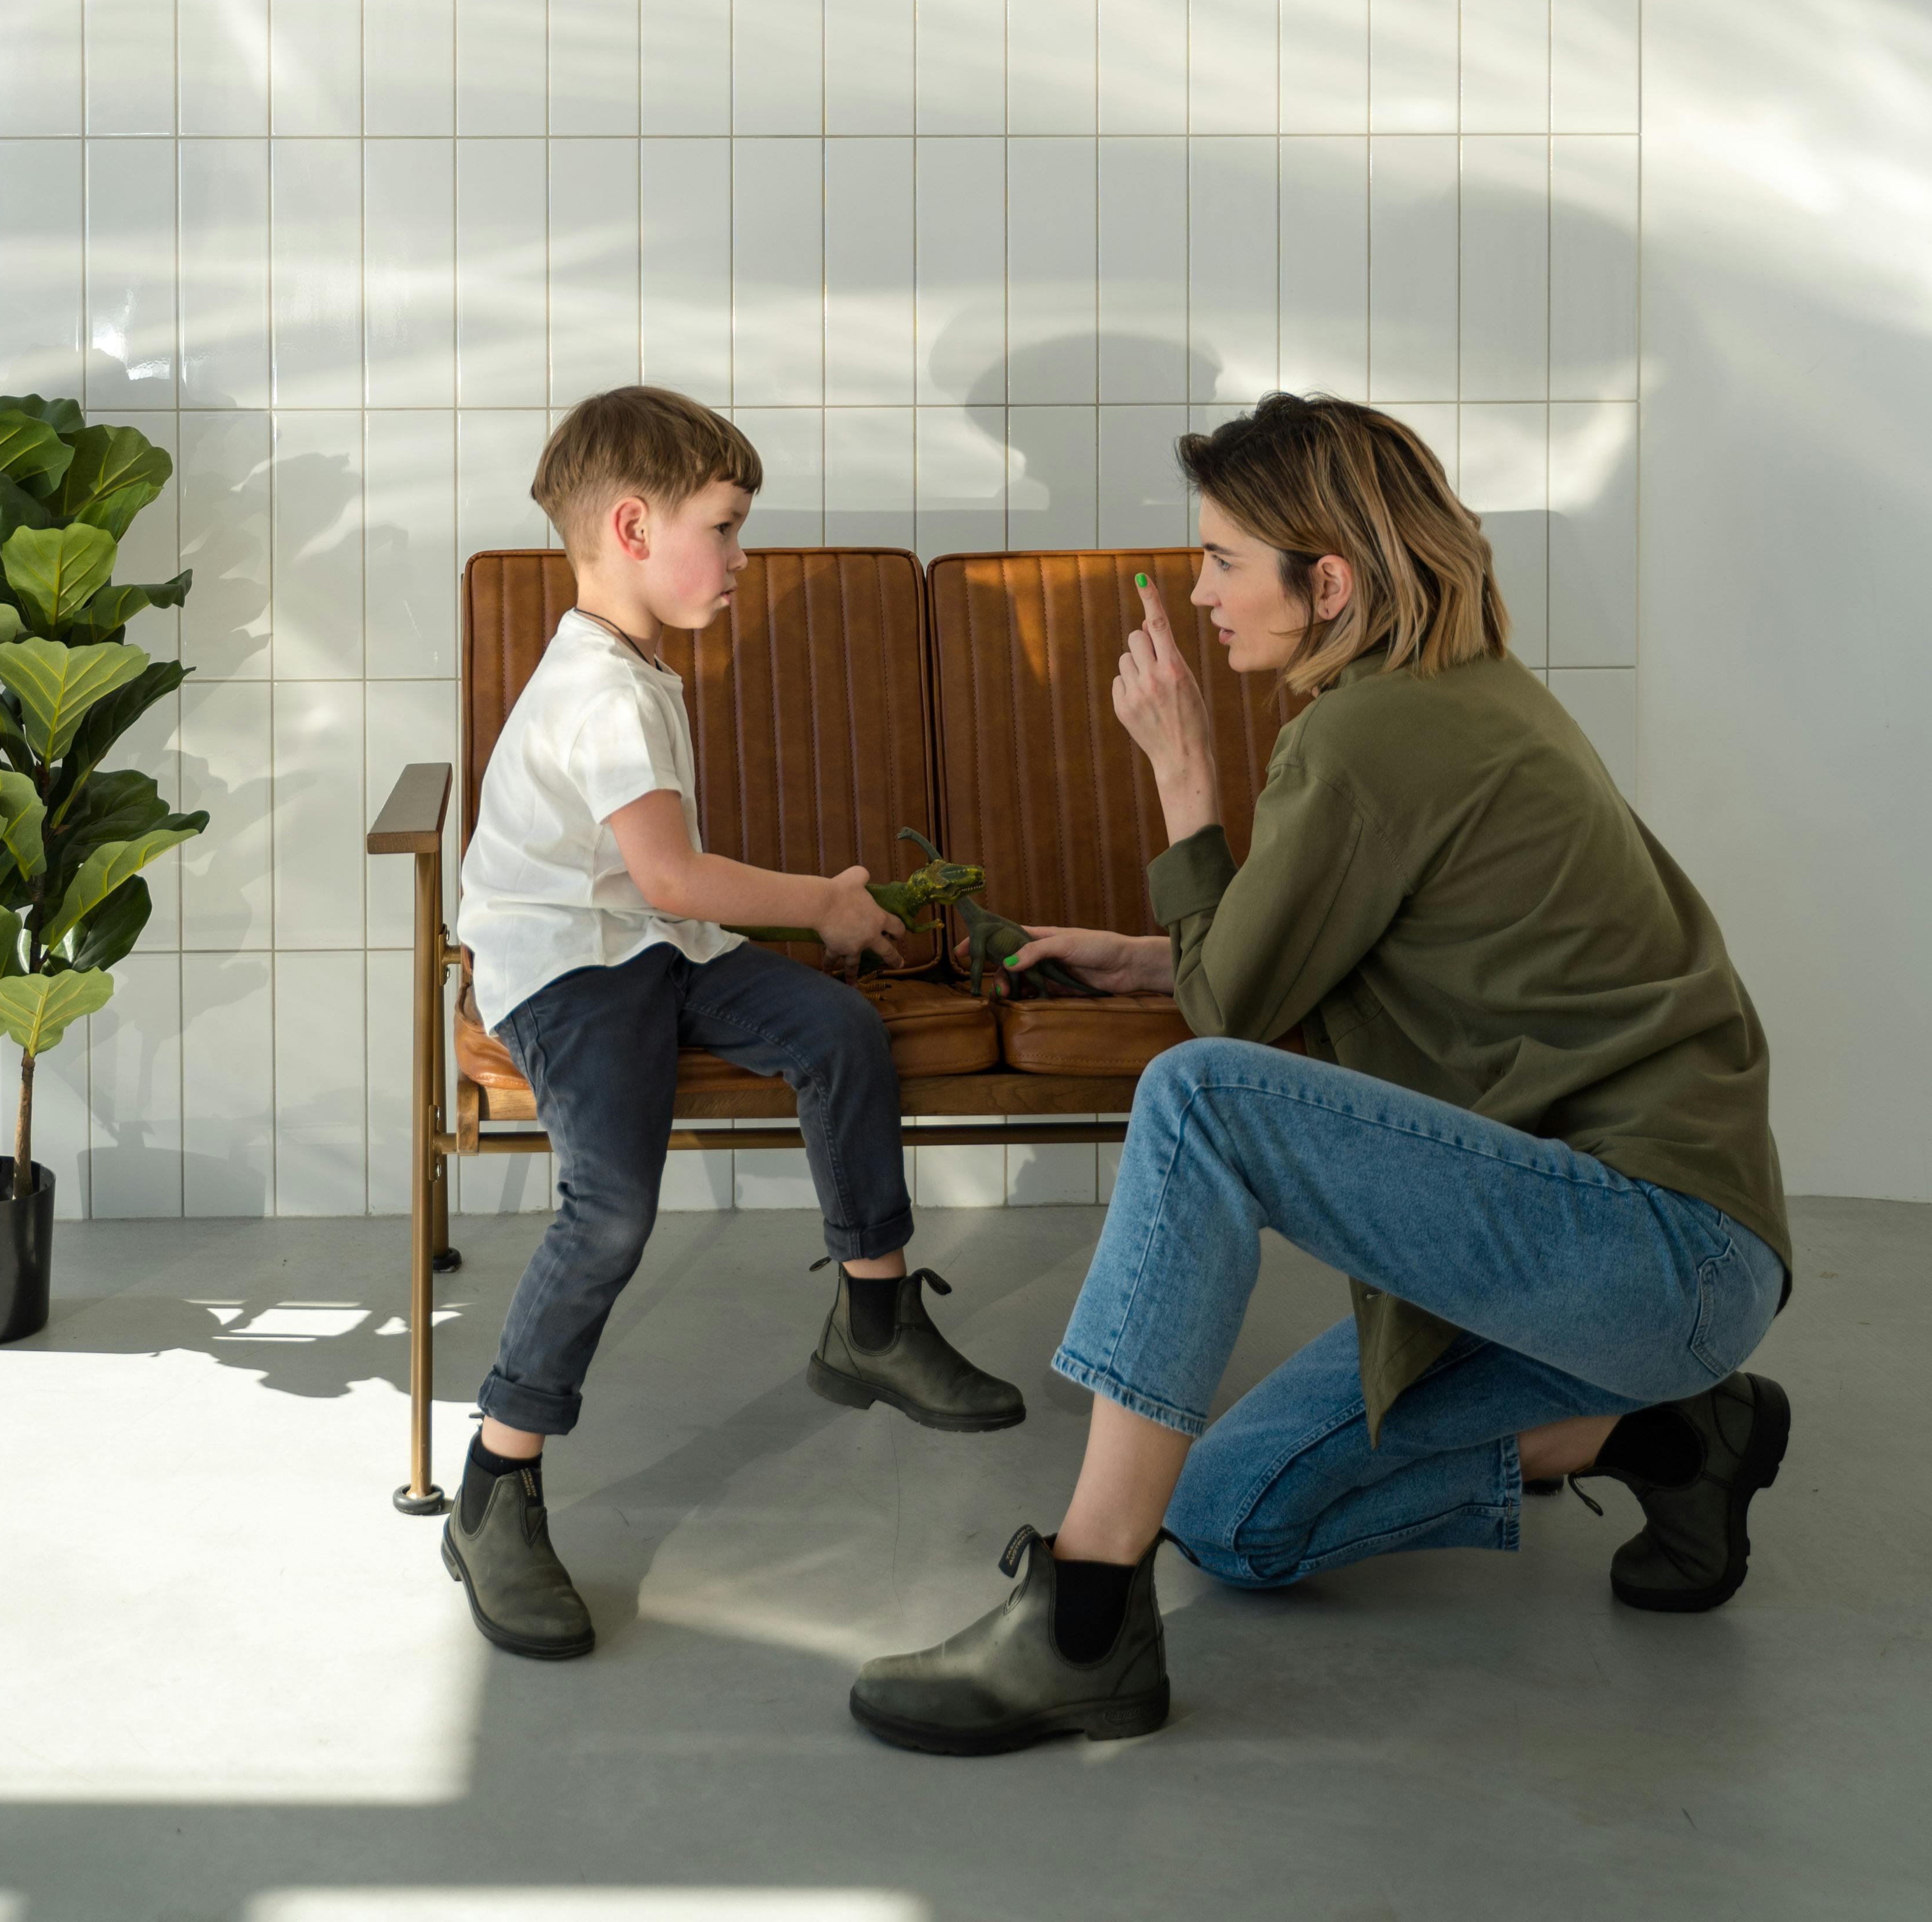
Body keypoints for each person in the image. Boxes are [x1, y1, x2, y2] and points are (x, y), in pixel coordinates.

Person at [850, 393, 1792, 1755]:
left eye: (1224, 559)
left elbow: (1234, 1012)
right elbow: (1291, 959)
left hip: (1648, 1243)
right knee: (1233, 1519)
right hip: (1604, 1253)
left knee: (1196, 1095)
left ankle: (1084, 1618)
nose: (1199, 590)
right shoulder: (1441, 696)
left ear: (1327, 580)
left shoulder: (1364, 736)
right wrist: (1140, 956)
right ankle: (1666, 1437)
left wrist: (1181, 775)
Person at [444, 384, 1025, 1662]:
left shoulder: (631, 668)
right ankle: (497, 1476)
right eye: (728, 525)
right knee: (609, 1205)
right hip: (565, 968)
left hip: (648, 947)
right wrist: (823, 900)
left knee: (837, 1033)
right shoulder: (602, 692)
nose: (745, 558)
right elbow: (670, 877)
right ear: (637, 527)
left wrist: (810, 927)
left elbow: (664, 902)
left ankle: (871, 1322)